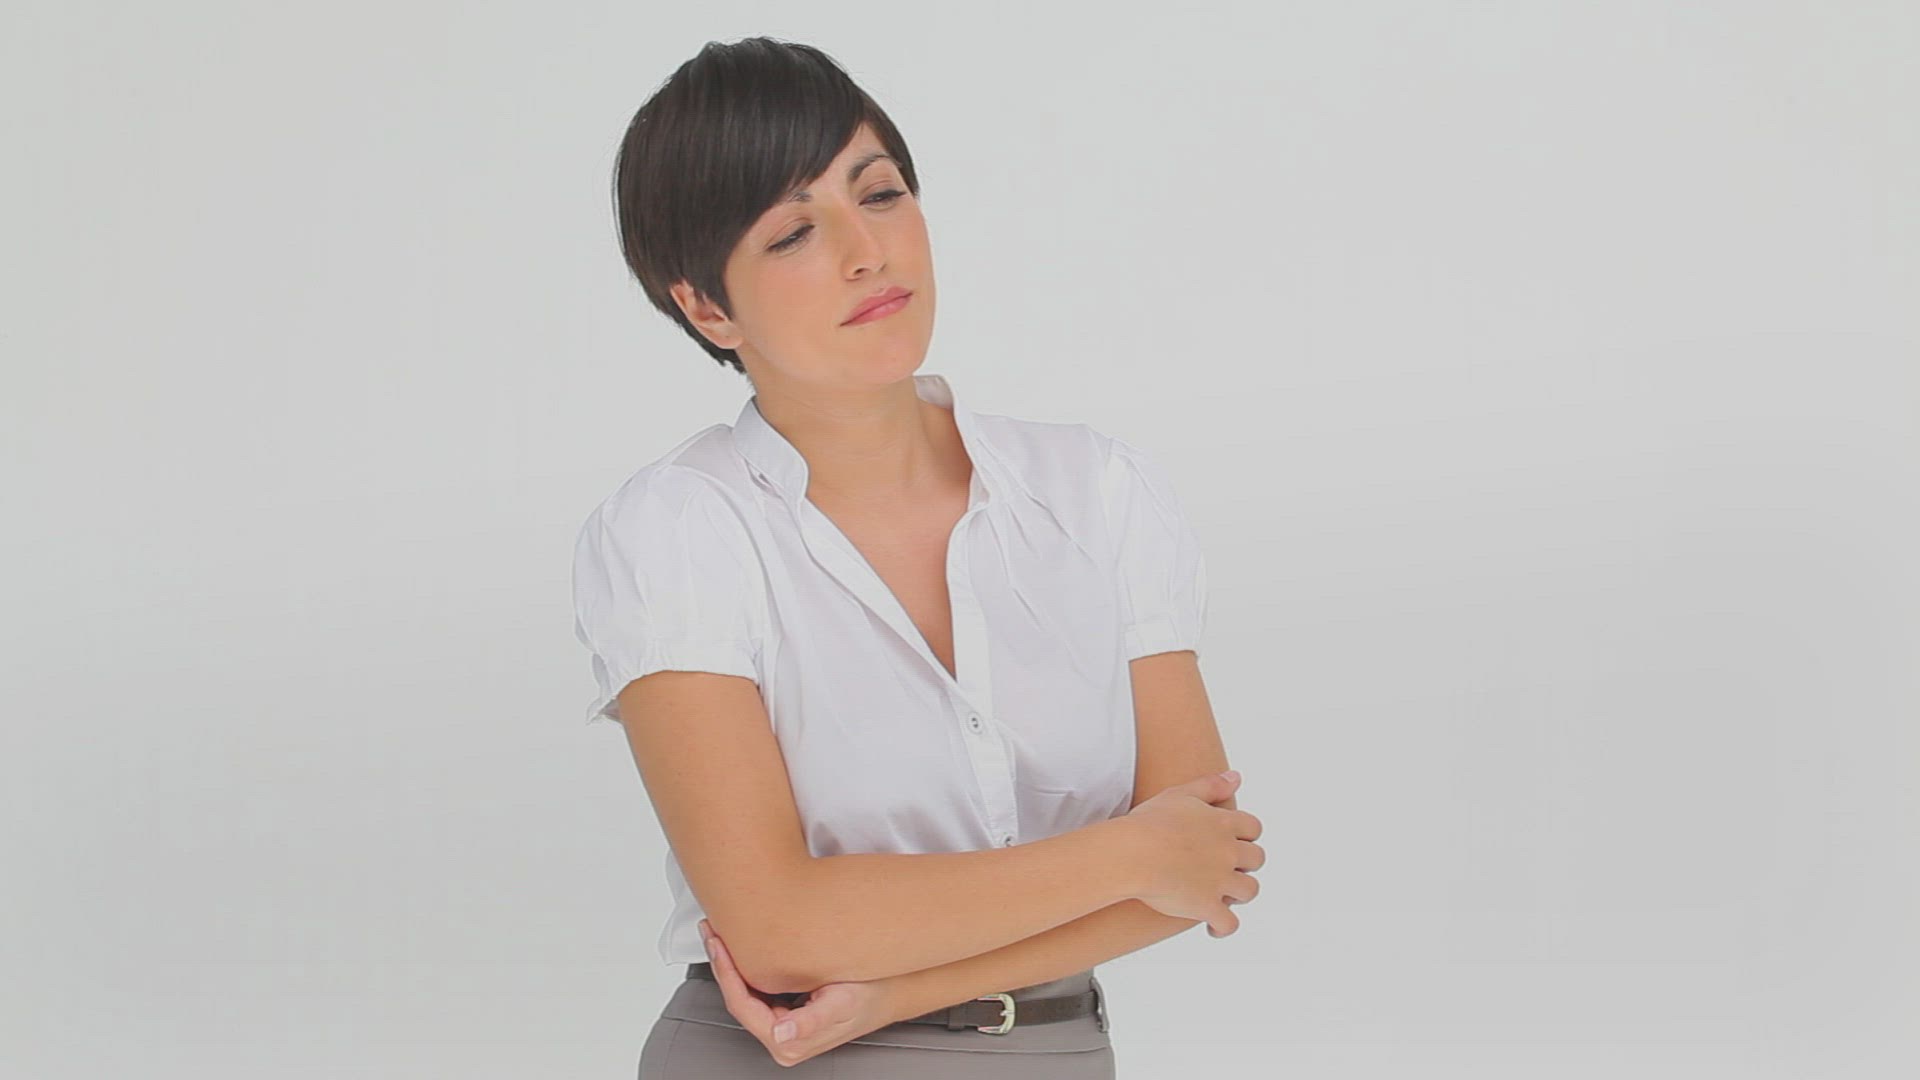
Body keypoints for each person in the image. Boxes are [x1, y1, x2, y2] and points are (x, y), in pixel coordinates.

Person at [570, 36, 1264, 1077]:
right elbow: (775, 925)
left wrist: (897, 991)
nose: (867, 251)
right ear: (707, 307)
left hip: (1049, 1051)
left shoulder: (1097, 492)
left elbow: (1206, 865)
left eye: (880, 193)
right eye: (794, 232)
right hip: (773, 1057)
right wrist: (1129, 854)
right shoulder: (676, 529)